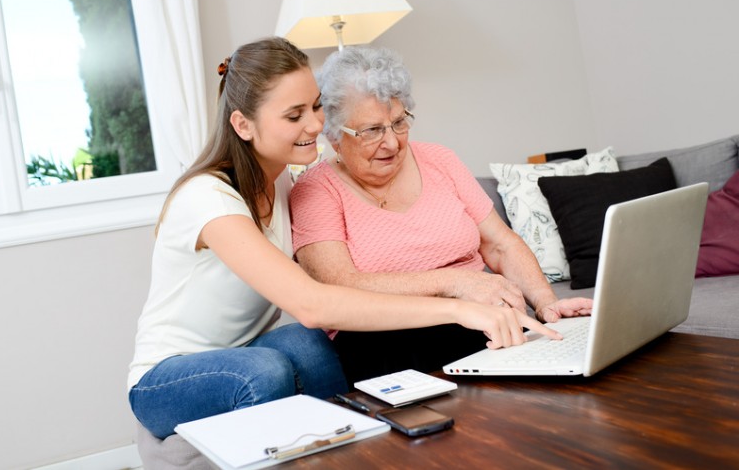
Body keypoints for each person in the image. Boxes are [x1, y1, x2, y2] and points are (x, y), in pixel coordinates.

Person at [128, 37, 561, 440]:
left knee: (313, 348)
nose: (316, 124)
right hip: (169, 375)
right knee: (264, 372)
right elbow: (315, 301)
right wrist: (459, 301)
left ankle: (361, 445)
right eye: (294, 115)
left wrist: (534, 301)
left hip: (245, 346)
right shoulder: (209, 199)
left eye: (316, 107)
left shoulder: (278, 183)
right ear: (242, 124)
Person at [290, 45, 592, 384]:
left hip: (482, 321)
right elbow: (341, 284)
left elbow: (500, 244)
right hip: (386, 338)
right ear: (333, 135)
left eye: (400, 123)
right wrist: (457, 284)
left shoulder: (440, 160)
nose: (392, 143)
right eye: (372, 131)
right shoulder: (316, 189)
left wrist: (547, 304)